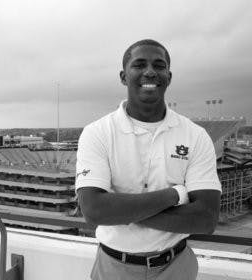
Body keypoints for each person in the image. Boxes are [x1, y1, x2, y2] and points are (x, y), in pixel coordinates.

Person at [76, 39, 222, 280]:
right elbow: (94, 210)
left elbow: (206, 218)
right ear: (123, 76)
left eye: (159, 65)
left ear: (169, 76)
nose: (150, 71)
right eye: (139, 64)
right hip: (114, 267)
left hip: (176, 267)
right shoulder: (98, 132)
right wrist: (174, 195)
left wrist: (125, 212)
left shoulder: (195, 135)